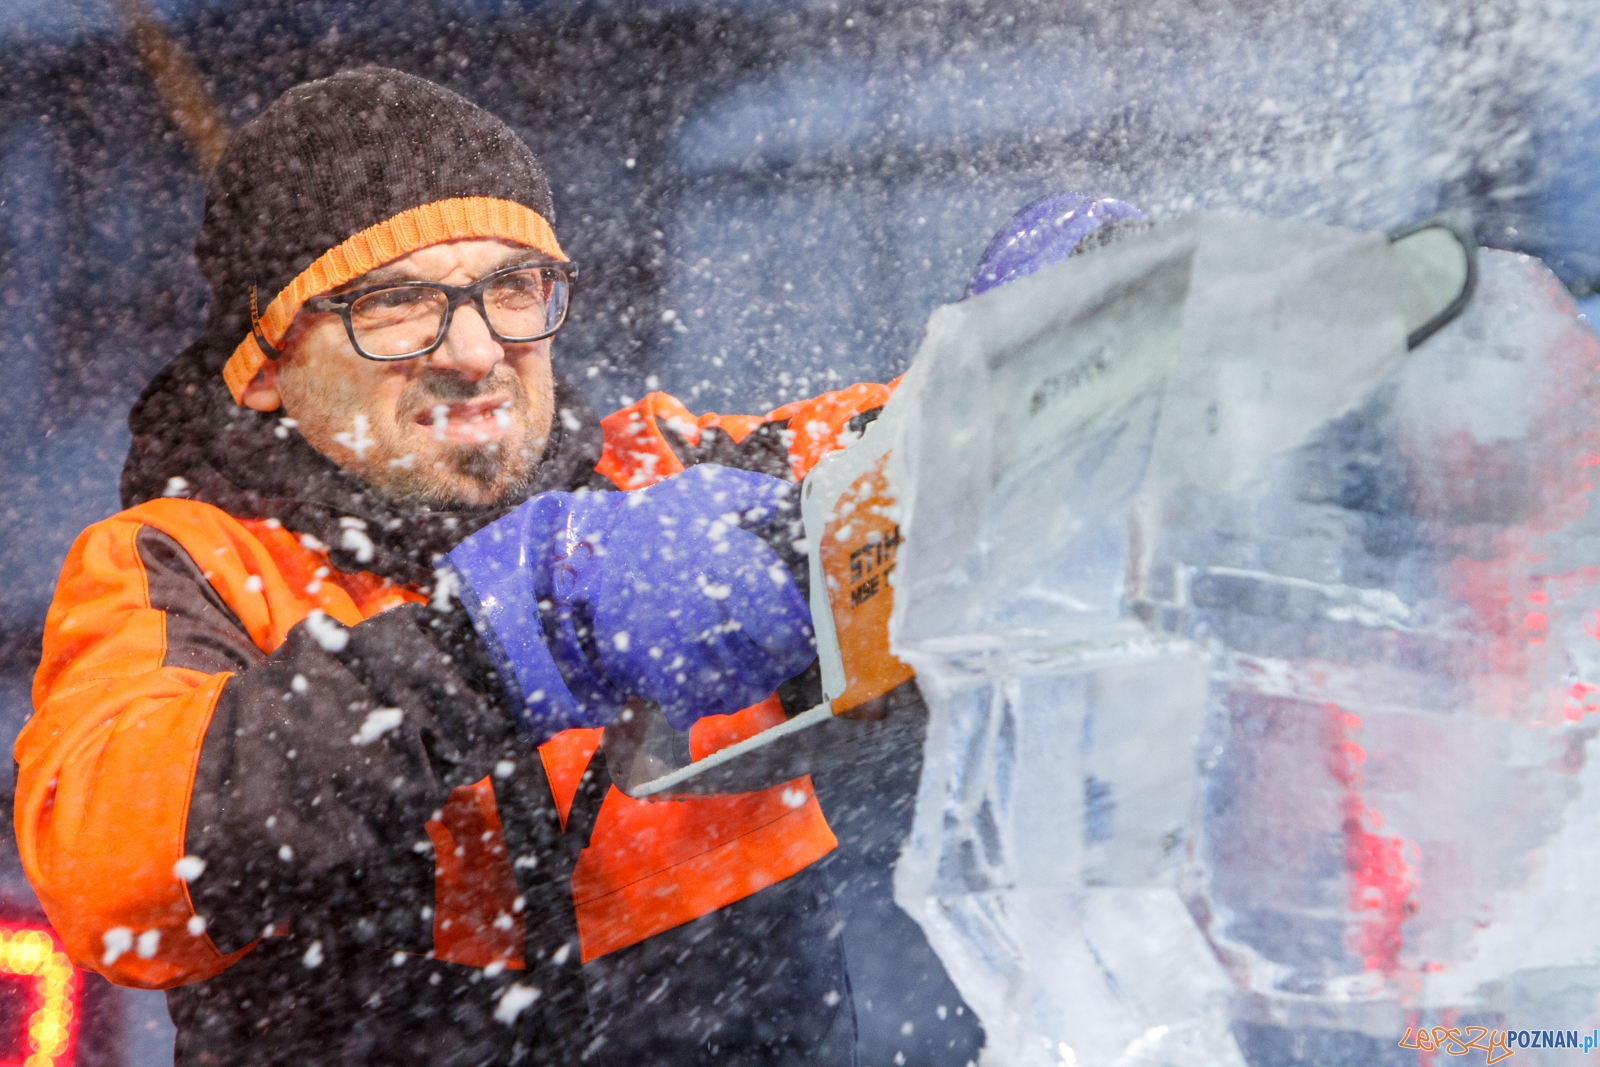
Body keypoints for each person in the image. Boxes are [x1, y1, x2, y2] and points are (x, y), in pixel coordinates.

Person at [14, 67, 899, 1066]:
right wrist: (488, 644)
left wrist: (1034, 351)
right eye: (395, 302)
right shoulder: (196, 562)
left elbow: (940, 469)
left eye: (512, 286)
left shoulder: (665, 479)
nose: (476, 349)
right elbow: (108, 874)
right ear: (262, 368)